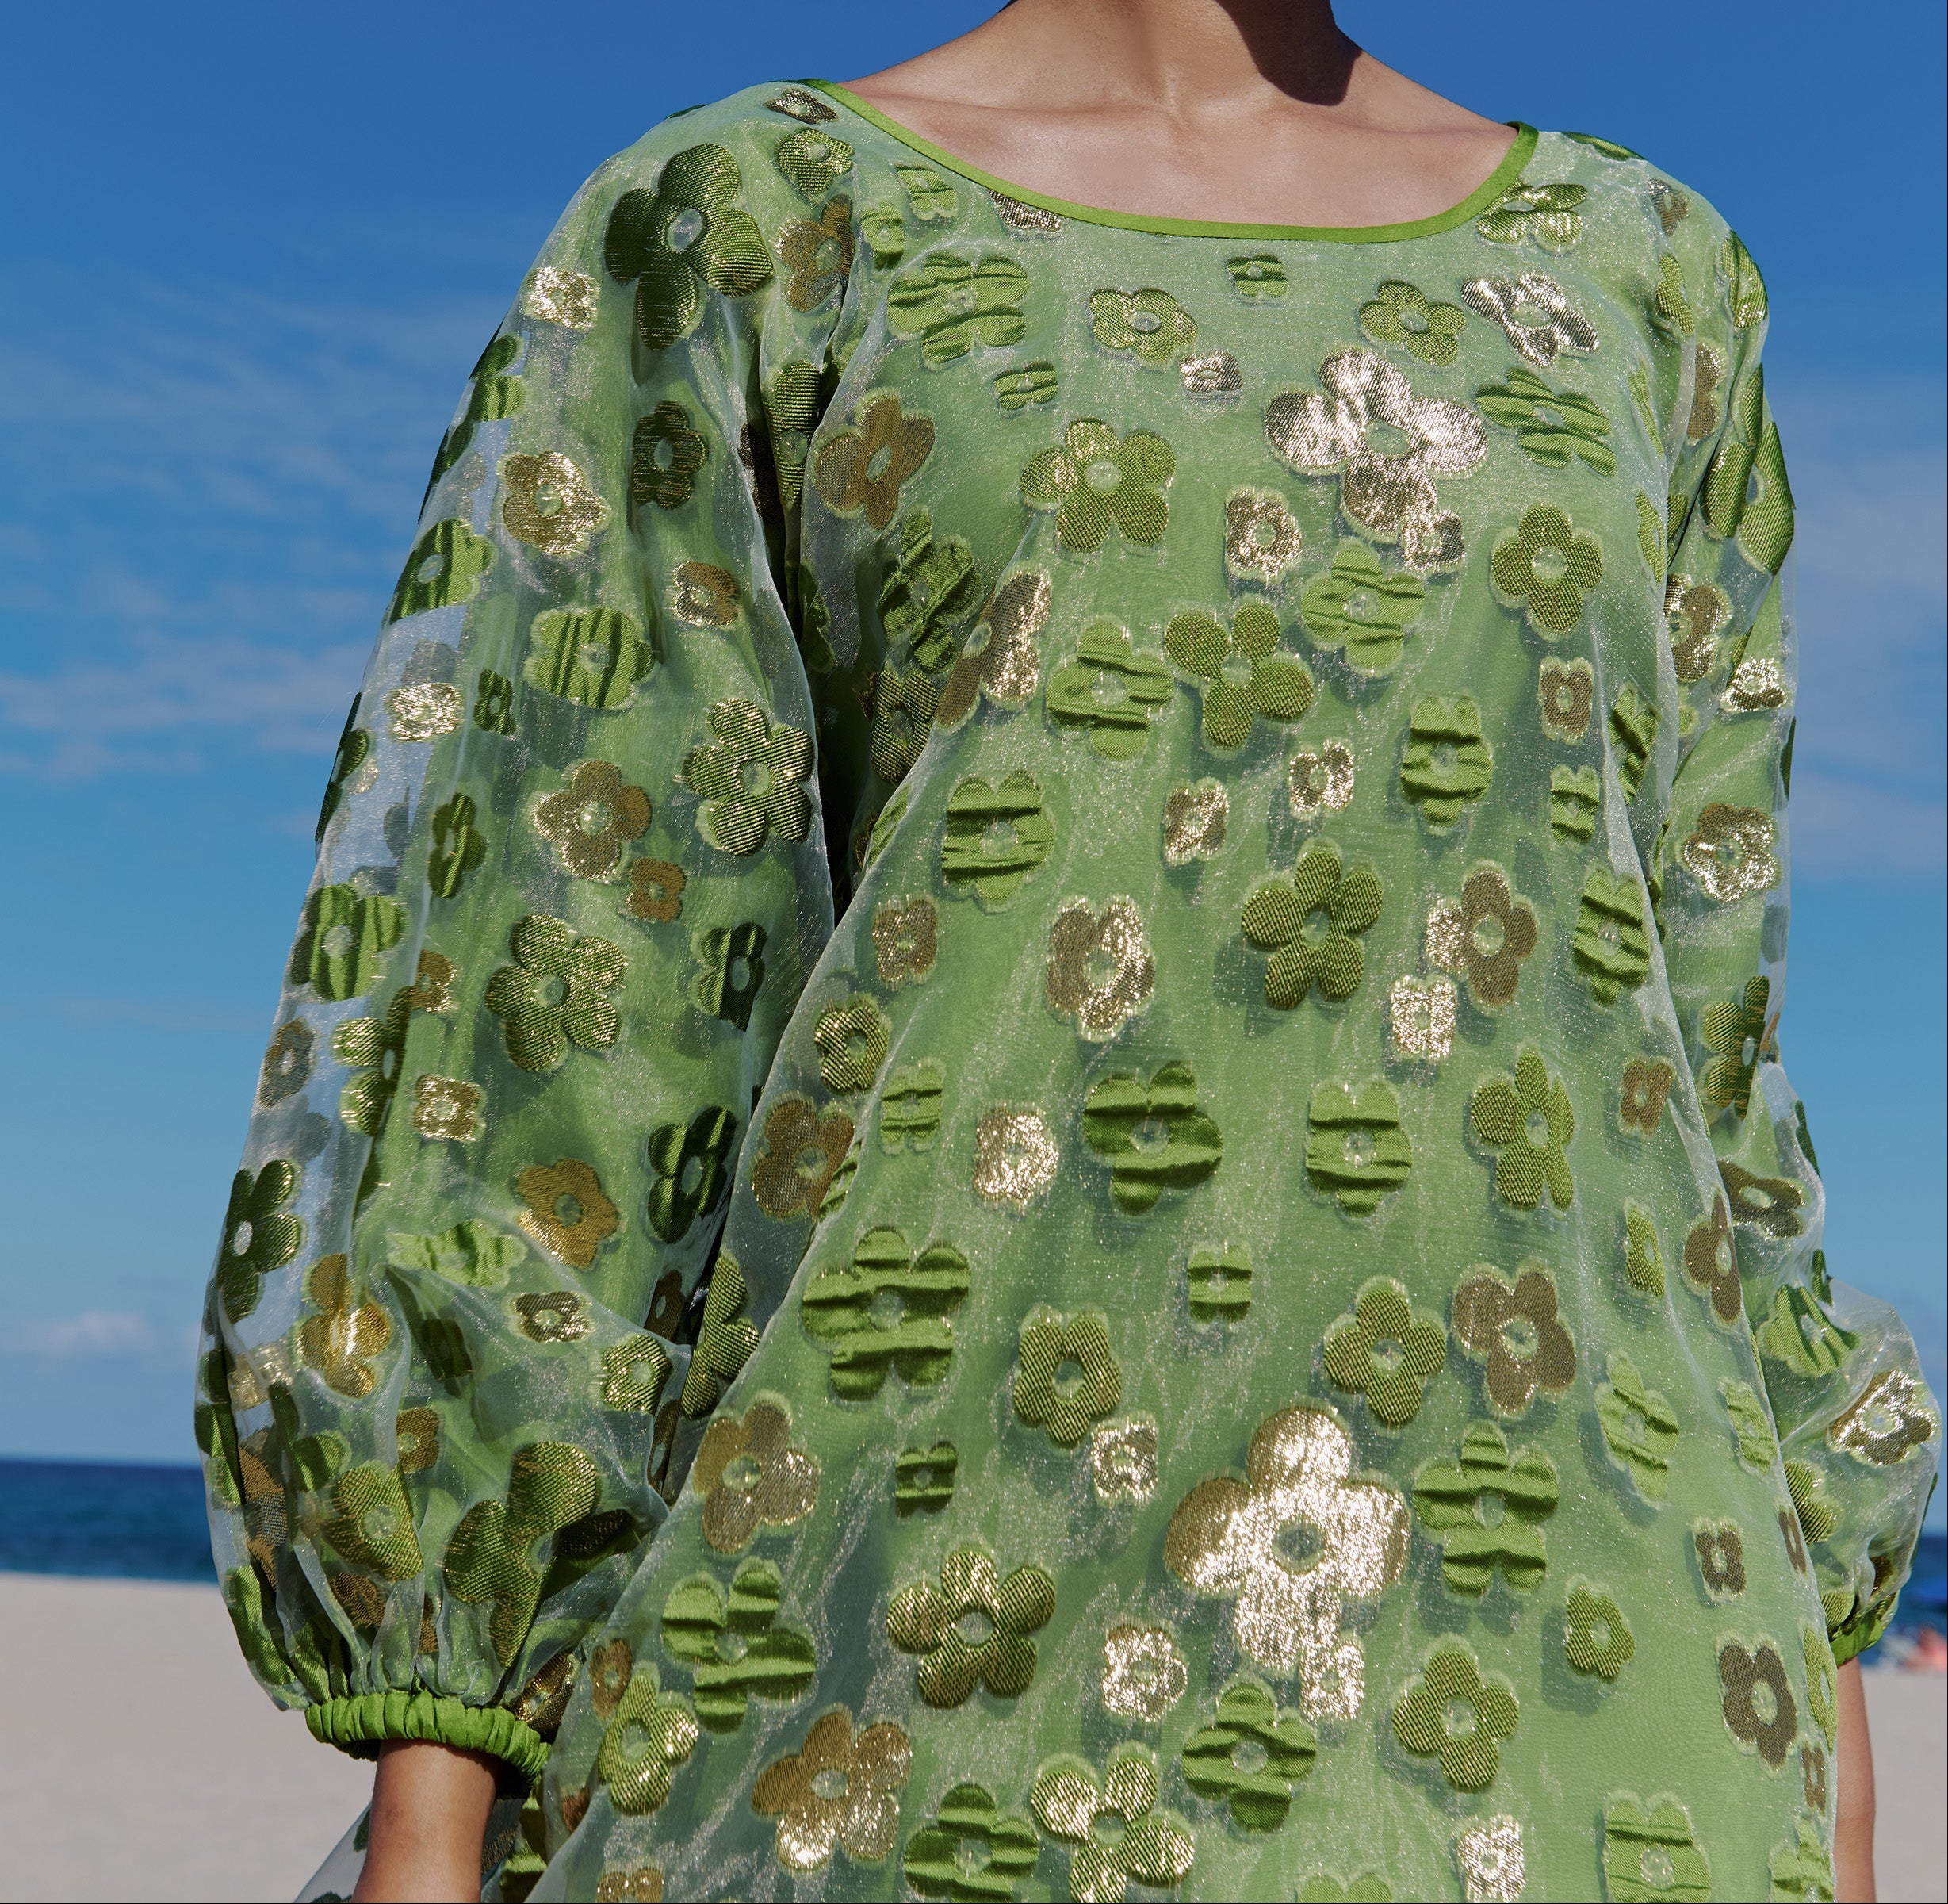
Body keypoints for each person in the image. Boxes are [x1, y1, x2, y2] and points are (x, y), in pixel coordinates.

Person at [193, 3, 1938, 1898]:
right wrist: (436, 1792)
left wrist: (1825, 1703)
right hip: (902, 1687)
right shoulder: (760, 224)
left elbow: (1703, 1046)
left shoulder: (1646, 276)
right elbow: (555, 1013)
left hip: (1618, 1712)